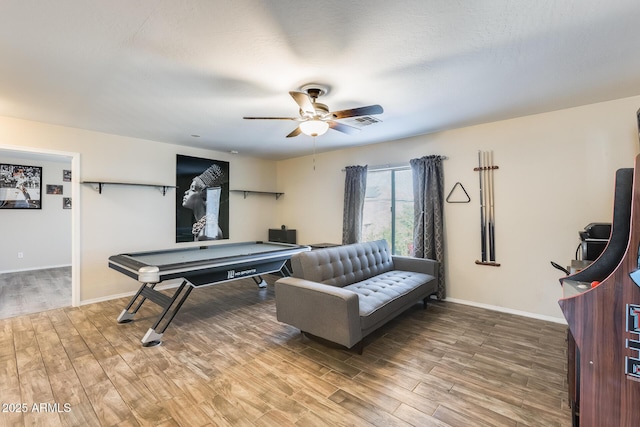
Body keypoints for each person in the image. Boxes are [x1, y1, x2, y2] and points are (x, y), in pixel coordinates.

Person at [182, 163, 225, 241]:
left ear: (205, 197)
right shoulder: (202, 229)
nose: (186, 192)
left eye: (193, 189)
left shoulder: (206, 233)